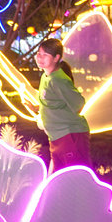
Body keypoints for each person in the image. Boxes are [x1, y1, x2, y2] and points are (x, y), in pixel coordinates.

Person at [32, 38, 91, 174]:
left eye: (45, 55)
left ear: (56, 58)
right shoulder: (45, 77)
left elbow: (79, 104)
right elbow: (54, 103)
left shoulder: (58, 80)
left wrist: (61, 118)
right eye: (38, 54)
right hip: (56, 136)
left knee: (75, 178)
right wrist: (37, 108)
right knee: (60, 179)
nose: (40, 58)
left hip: (70, 135)